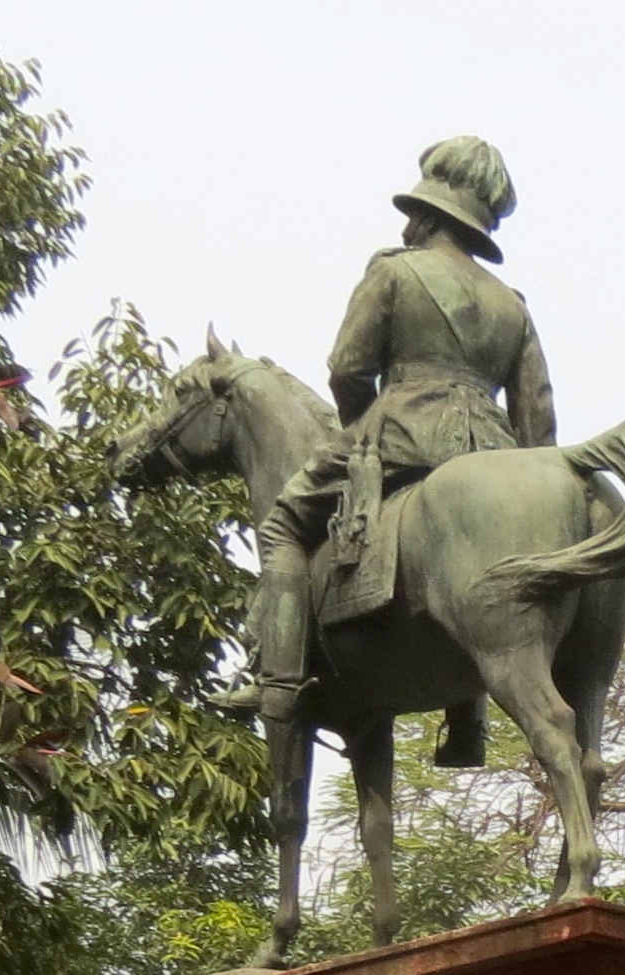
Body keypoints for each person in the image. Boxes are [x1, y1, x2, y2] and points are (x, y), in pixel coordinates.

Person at [240, 136, 556, 760]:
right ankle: (468, 724)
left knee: (281, 524)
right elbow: (537, 417)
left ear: (427, 212)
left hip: (402, 434)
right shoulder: (511, 306)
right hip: (491, 453)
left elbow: (348, 369)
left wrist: (362, 436)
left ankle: (273, 683)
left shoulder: (392, 270)